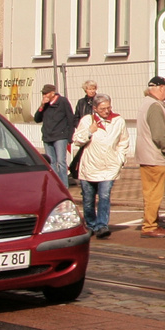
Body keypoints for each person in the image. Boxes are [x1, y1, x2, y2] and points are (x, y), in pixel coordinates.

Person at [70, 94, 127, 239]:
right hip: (89, 166)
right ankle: (90, 224)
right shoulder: (87, 120)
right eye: (102, 109)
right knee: (88, 199)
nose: (106, 111)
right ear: (95, 108)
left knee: (104, 196)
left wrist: (120, 159)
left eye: (108, 107)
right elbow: (76, 140)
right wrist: (89, 131)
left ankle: (102, 225)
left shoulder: (118, 121)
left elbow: (123, 141)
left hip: (109, 167)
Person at [134, 76, 165, 238]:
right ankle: (150, 226)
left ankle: (151, 222)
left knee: (149, 192)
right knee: (154, 192)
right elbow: (159, 135)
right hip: (154, 156)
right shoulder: (154, 106)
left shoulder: (147, 104)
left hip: (147, 155)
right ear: (160, 88)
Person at [34, 84, 75, 186]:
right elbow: (37, 119)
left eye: (46, 93)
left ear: (53, 93)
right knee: (51, 162)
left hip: (60, 136)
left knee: (61, 161)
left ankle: (64, 185)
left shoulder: (63, 101)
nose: (44, 95)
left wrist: (70, 136)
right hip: (47, 137)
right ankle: (55, 185)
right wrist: (42, 105)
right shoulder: (45, 105)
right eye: (43, 93)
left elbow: (70, 118)